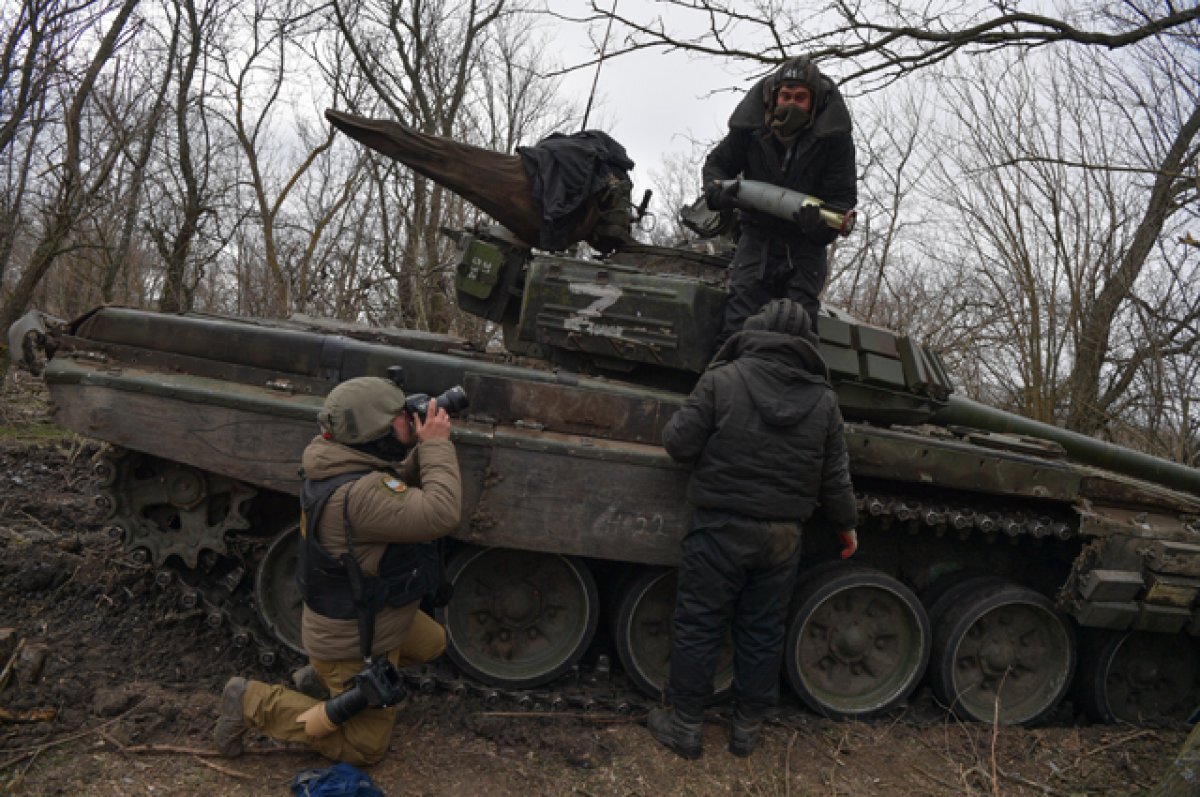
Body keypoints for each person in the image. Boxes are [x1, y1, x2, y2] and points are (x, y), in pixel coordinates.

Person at [648, 299, 858, 759]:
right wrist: (846, 525)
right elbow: (835, 479)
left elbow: (678, 444)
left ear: (755, 331)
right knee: (762, 629)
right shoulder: (824, 400)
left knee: (700, 622)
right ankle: (746, 728)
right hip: (782, 535)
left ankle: (685, 725)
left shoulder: (723, 379)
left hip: (720, 526)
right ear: (807, 345)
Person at [214, 376, 462, 766]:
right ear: (374, 434)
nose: (409, 417)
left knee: (431, 642)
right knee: (366, 748)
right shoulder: (360, 495)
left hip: (369, 614)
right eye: (400, 416)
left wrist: (421, 445)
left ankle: (321, 681)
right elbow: (441, 513)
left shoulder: (337, 460)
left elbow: (392, 482)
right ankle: (252, 703)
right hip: (354, 638)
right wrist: (435, 445)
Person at [703, 55, 857, 346]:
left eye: (800, 98)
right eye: (785, 96)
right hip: (756, 235)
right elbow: (717, 166)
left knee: (797, 328)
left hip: (805, 245)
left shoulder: (834, 138)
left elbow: (842, 197)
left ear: (814, 101)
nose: (791, 104)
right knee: (738, 321)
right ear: (773, 97)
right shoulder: (750, 129)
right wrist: (718, 193)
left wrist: (820, 228)